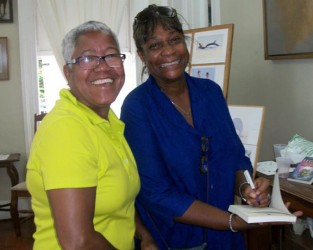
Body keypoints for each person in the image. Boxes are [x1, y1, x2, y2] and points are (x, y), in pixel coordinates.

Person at [120, 5, 301, 250]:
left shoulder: (210, 93)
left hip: (225, 239)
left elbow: (235, 158)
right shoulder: (137, 107)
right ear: (142, 55)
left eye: (175, 40)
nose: (168, 51)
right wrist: (233, 221)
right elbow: (157, 194)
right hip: (175, 240)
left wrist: (248, 188)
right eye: (155, 45)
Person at [26, 21, 157, 250]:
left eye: (111, 56)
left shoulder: (109, 121)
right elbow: (78, 242)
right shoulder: (67, 130)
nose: (103, 67)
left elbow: (117, 200)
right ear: (68, 72)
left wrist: (144, 236)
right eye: (87, 58)